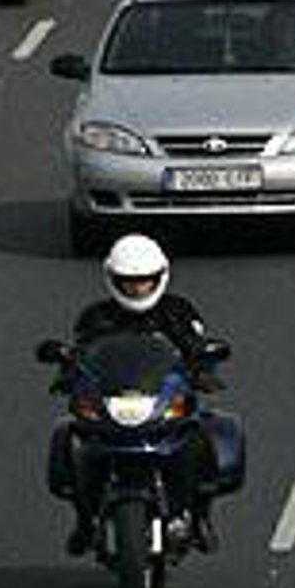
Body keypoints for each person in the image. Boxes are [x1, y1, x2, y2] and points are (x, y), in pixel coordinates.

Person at [51, 233, 225, 555]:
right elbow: (81, 354)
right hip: (113, 400)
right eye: (129, 282)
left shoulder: (178, 312)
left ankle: (199, 516)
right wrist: (66, 373)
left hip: (162, 397)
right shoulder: (96, 317)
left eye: (144, 281)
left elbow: (197, 349)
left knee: (202, 435)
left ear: (159, 278)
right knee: (69, 439)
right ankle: (84, 519)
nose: (137, 289)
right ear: (113, 279)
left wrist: (204, 370)